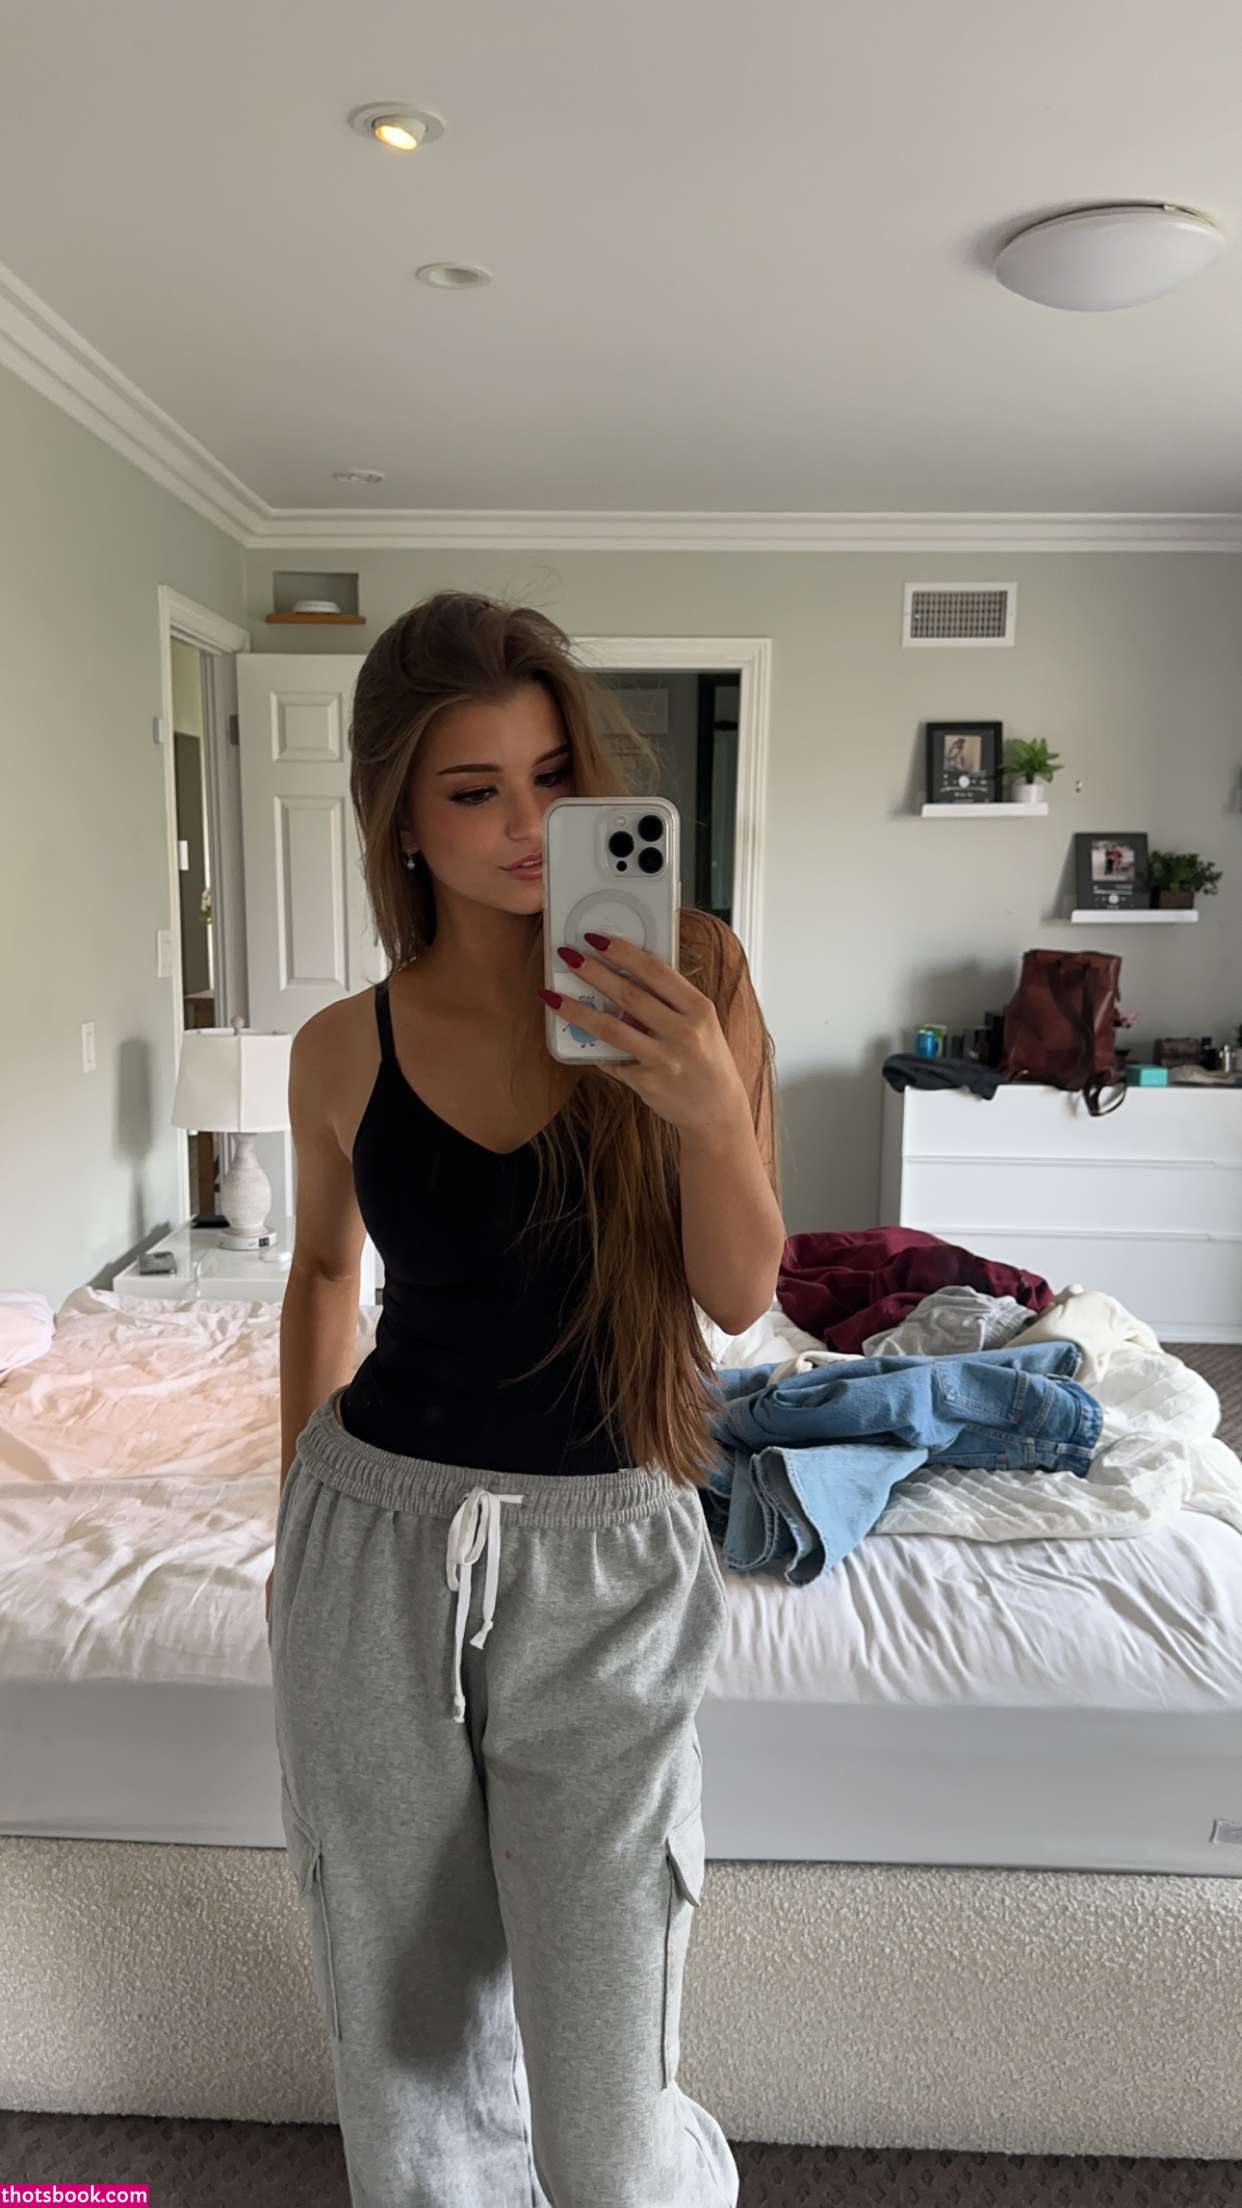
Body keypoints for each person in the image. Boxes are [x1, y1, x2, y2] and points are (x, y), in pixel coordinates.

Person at [266, 591, 785, 2208]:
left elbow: (739, 1296)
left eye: (553, 777)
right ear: (400, 821)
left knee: (604, 2120)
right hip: (373, 1548)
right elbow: (322, 1276)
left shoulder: (689, 975)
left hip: (608, 1557)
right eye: (472, 789)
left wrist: (707, 1111)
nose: (523, 825)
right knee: (403, 2050)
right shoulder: (341, 1047)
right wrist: (293, 1533)